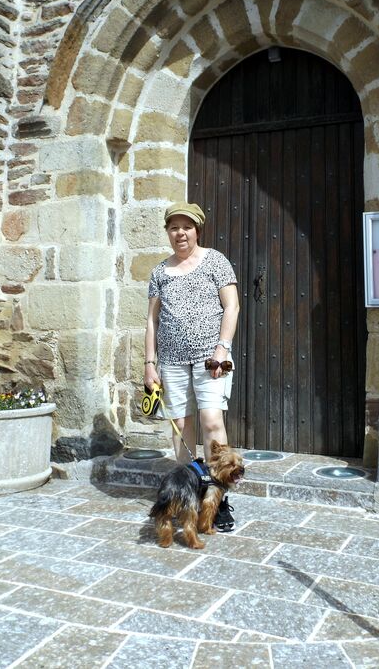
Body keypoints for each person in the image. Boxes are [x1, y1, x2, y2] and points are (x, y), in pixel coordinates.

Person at [144, 201, 240, 531]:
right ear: (168, 232)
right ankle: (186, 496)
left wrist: (222, 348)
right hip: (170, 361)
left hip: (210, 358)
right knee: (181, 426)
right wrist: (149, 363)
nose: (180, 233)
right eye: (174, 227)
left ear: (197, 230)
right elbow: (152, 321)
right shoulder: (160, 271)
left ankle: (219, 498)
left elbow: (232, 307)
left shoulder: (216, 261)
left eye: (186, 227)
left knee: (212, 421)